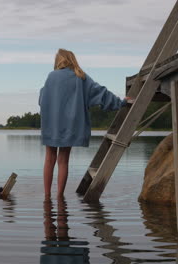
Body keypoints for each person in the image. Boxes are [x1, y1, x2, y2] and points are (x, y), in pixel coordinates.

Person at [39, 49, 132, 198]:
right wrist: (121, 102)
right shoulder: (80, 77)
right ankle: (59, 196)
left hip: (52, 123)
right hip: (70, 124)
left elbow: (42, 97)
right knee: (63, 160)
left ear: (58, 61)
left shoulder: (51, 76)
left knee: (49, 158)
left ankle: (47, 196)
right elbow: (100, 93)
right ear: (72, 60)